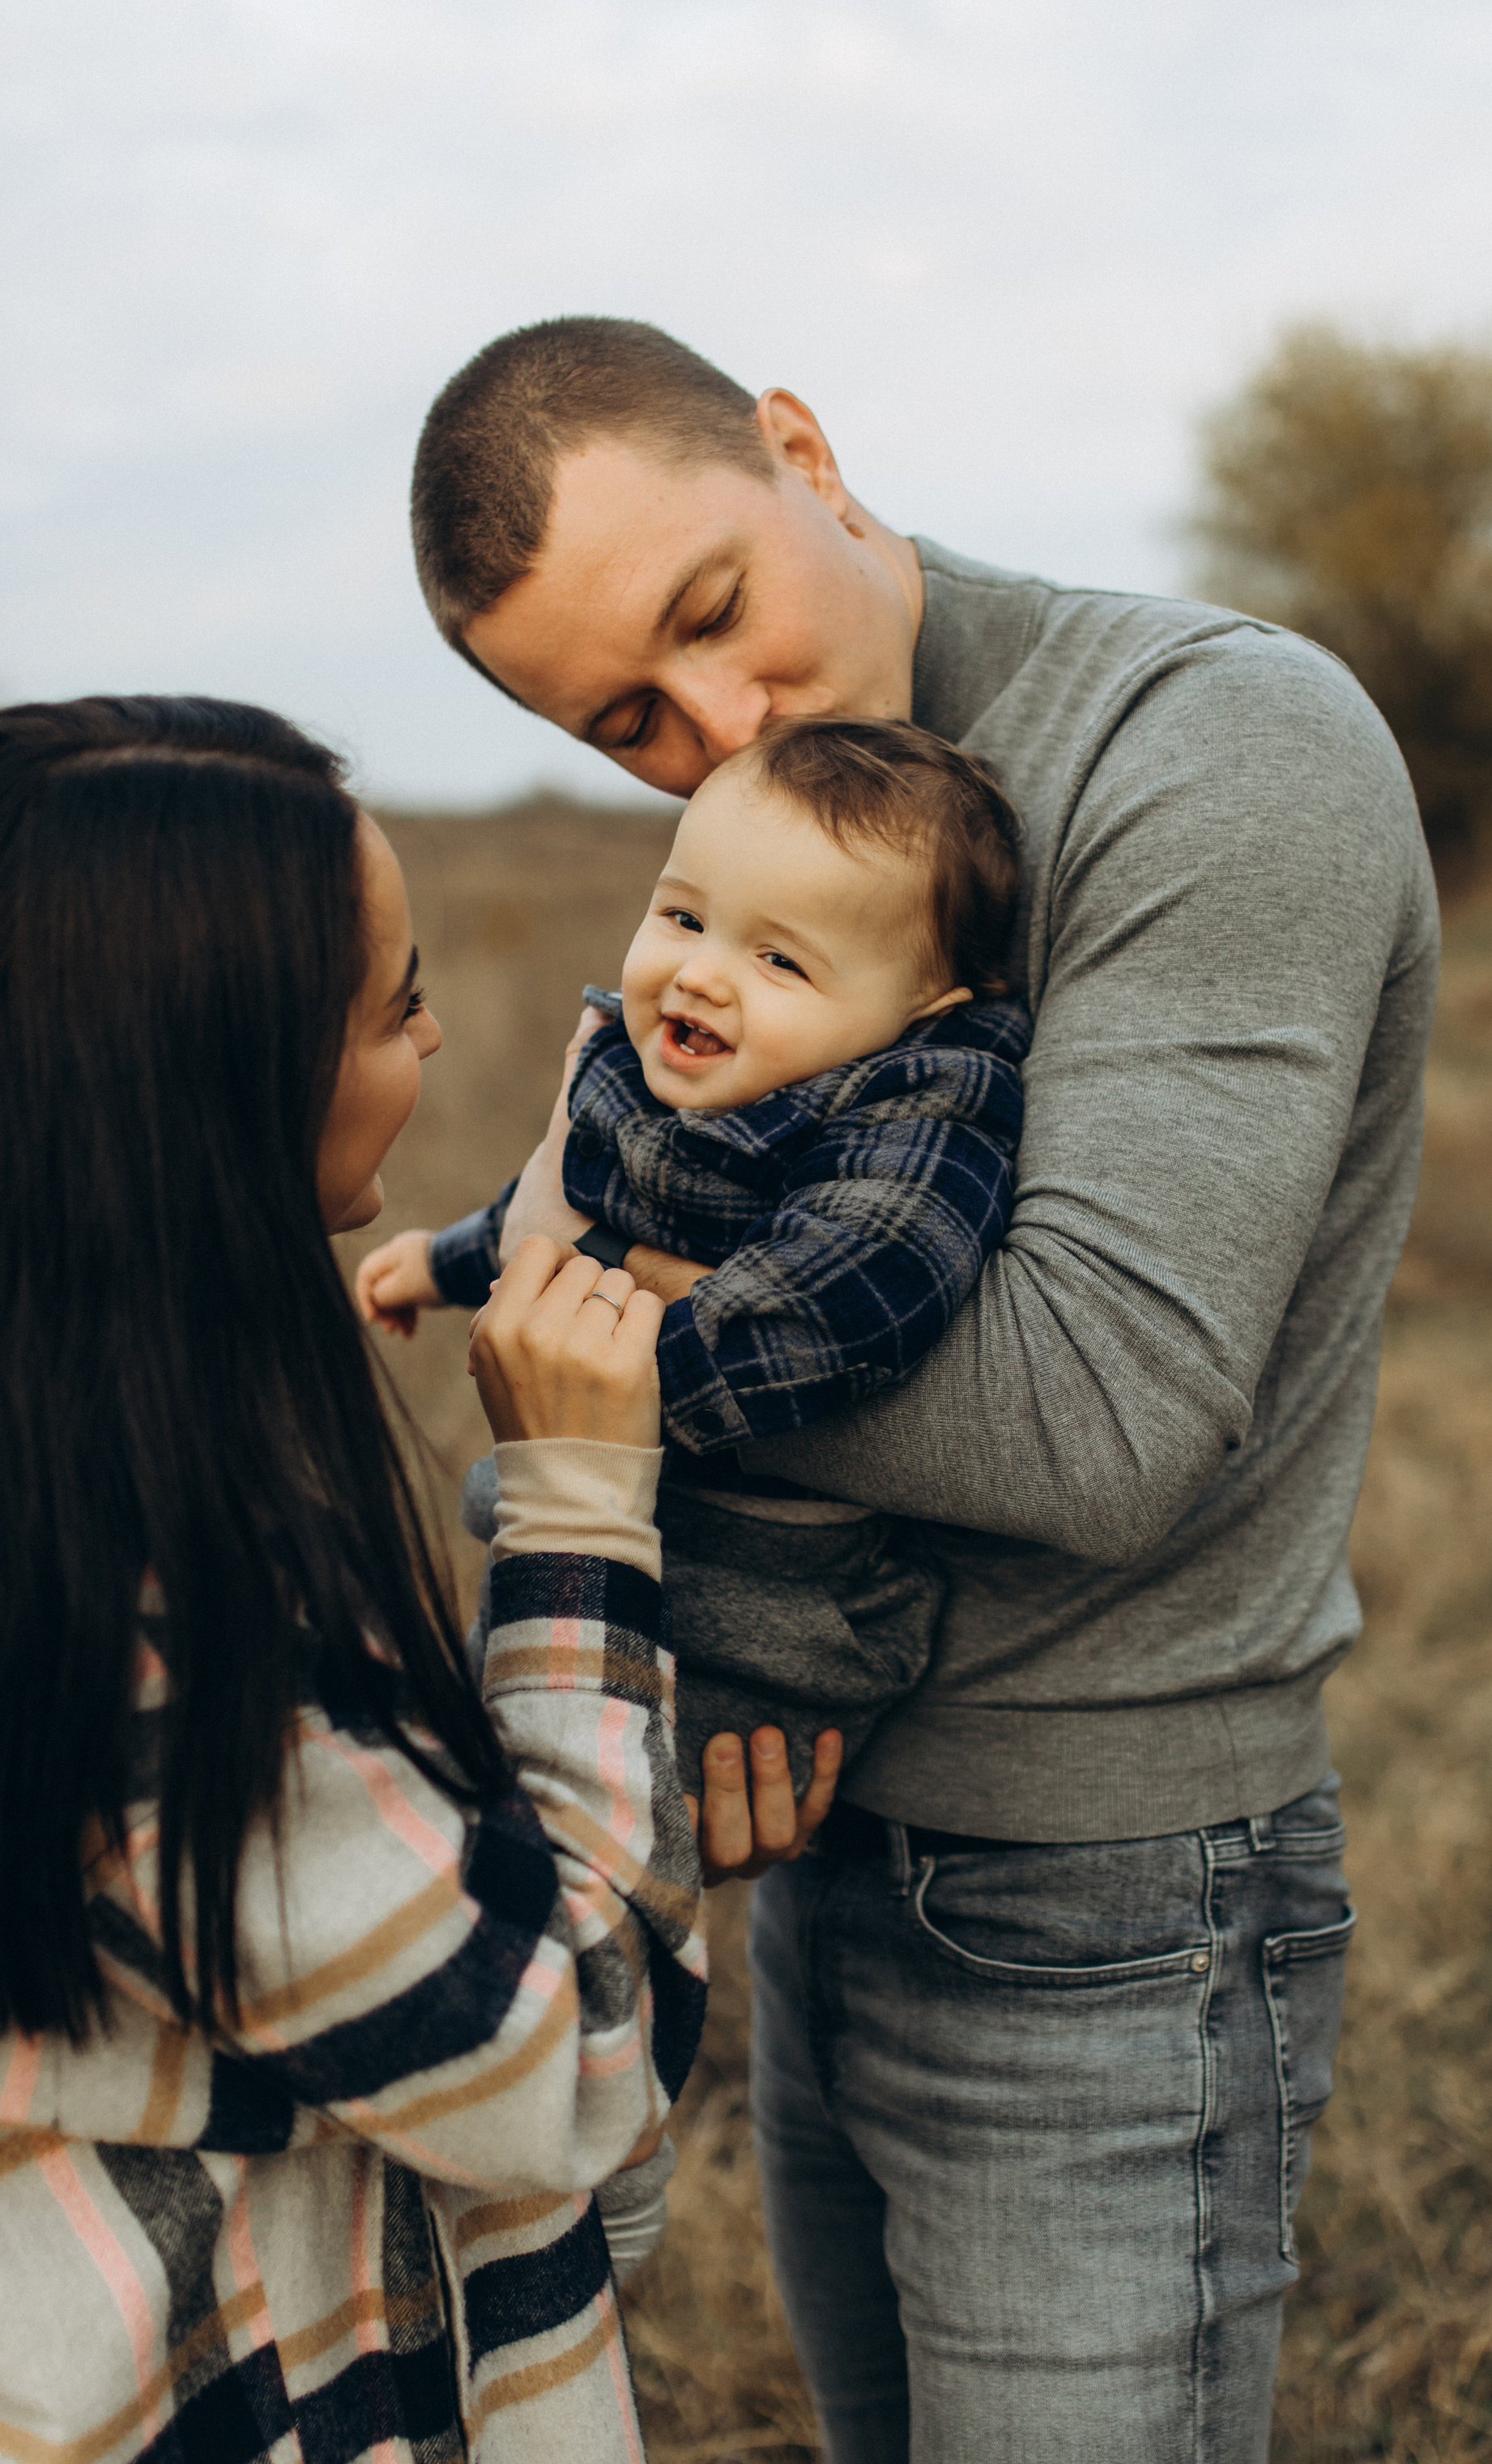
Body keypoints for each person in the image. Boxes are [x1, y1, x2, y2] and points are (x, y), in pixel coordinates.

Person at [408, 318, 1443, 2464]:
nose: (718, 713)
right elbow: (629, 1222)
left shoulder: (1219, 753)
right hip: (819, 1863)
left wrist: (584, 1329)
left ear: (801, 441)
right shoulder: (757, 839)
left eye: (726, 606)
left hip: (1109, 1915)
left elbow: (1099, 1410)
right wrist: (725, 1609)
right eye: (629, 723)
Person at [0, 694, 825, 2464]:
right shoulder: (166, 1623)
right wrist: (578, 1526)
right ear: (203, 1080)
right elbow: (557, 2078)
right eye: (398, 1002)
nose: (444, 1050)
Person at [354, 715, 1030, 1796]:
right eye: (683, 916)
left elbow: (840, 1306)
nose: (701, 976)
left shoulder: (920, 1113)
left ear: (922, 1008)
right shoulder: (647, 1058)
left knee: (551, 1808)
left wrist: (594, 1371)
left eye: (778, 959)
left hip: (770, 1610)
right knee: (475, 1755)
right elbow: (570, 1217)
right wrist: (444, 1263)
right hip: (607, 1538)